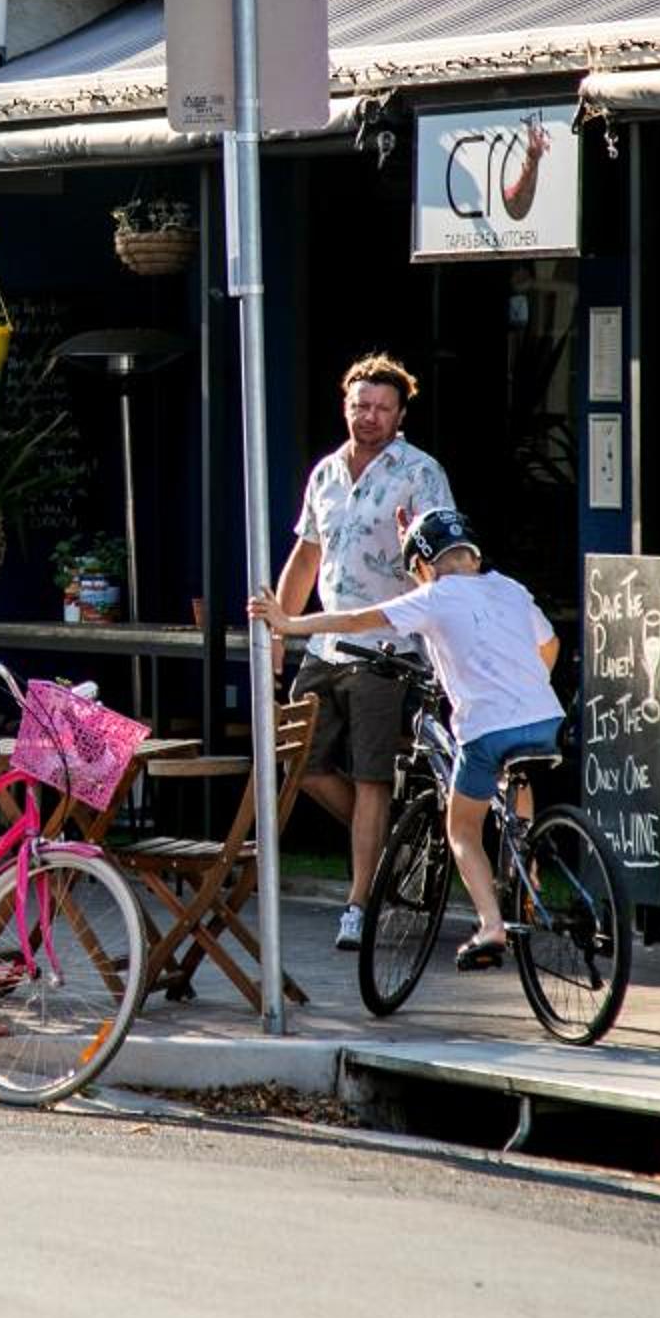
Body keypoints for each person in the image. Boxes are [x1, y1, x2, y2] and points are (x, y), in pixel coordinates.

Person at [252, 509, 562, 971]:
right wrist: (526, 685)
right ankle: (526, 871)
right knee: (514, 779)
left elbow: (357, 620)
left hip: (486, 726)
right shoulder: (510, 588)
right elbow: (550, 644)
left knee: (462, 830)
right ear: (474, 557)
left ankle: (491, 926)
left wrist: (288, 623)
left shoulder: (434, 596)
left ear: (423, 566)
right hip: (545, 718)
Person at [267, 354, 455, 952]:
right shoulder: (325, 472)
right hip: (326, 641)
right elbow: (306, 555)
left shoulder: (420, 472)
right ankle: (395, 845)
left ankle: (358, 903)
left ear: (400, 414)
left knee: (373, 772)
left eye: (381, 407)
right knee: (301, 762)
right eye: (360, 405)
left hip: (388, 645)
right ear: (345, 407)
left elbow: (446, 562)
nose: (369, 416)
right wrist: (280, 630)